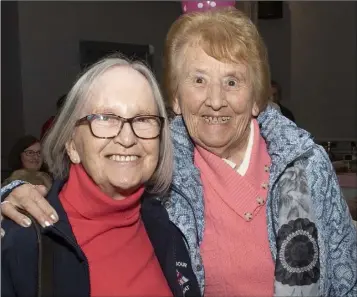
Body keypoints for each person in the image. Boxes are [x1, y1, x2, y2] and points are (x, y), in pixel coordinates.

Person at [2, 8, 357, 297]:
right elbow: (87, 185)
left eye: (232, 81)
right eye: (198, 80)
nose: (215, 100)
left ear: (257, 99)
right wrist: (11, 192)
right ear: (175, 99)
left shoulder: (307, 165)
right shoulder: (159, 166)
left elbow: (347, 277)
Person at [1, 56, 200, 297]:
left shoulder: (168, 229)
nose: (127, 139)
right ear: (72, 144)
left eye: (144, 119)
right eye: (105, 118)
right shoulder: (21, 242)